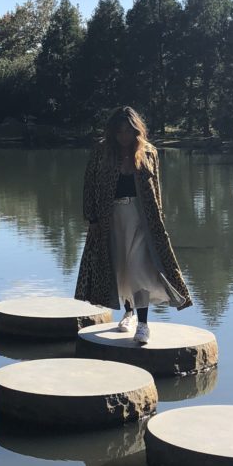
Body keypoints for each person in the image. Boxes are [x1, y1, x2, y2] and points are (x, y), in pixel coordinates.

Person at [75, 106, 192, 343]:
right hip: (111, 216)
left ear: (137, 131)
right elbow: (89, 184)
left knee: (139, 267)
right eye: (119, 132)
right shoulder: (101, 151)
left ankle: (144, 325)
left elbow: (156, 189)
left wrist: (159, 220)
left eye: (128, 132)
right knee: (119, 266)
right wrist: (92, 218)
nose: (124, 137)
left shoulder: (149, 152)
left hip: (142, 218)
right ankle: (128, 311)